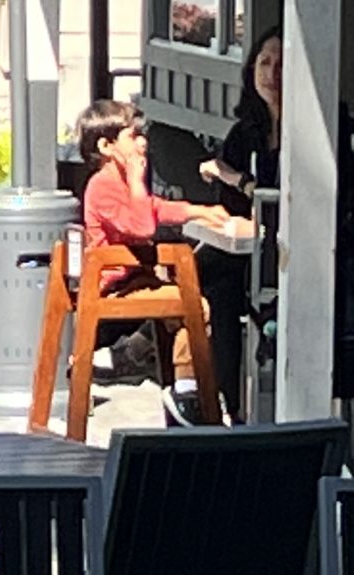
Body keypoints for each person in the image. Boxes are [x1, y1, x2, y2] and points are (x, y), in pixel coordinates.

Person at [75, 99, 236, 425]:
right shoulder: (103, 186)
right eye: (133, 136)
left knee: (181, 304)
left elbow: (154, 208)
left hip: (137, 279)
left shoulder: (121, 183)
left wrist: (199, 211)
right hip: (115, 286)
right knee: (194, 307)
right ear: (107, 146)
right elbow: (143, 226)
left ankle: (141, 356)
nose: (142, 142)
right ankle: (188, 390)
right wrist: (136, 178)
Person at [196, 26, 282, 399]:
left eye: (282, 65)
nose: (272, 73)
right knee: (219, 287)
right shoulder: (244, 132)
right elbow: (231, 211)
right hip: (249, 251)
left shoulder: (315, 128)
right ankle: (225, 401)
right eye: (264, 62)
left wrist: (238, 179)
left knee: (200, 275)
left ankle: (142, 335)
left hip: (296, 252)